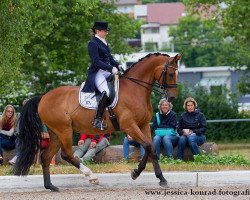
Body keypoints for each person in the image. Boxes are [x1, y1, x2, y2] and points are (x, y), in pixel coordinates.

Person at [82, 21, 120, 130]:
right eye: (105, 31)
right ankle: (97, 119)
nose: (106, 33)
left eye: (107, 31)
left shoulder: (104, 42)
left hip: (107, 71)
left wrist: (118, 65)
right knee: (107, 92)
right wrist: (110, 68)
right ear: (97, 31)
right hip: (98, 72)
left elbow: (110, 58)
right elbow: (96, 61)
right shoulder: (93, 43)